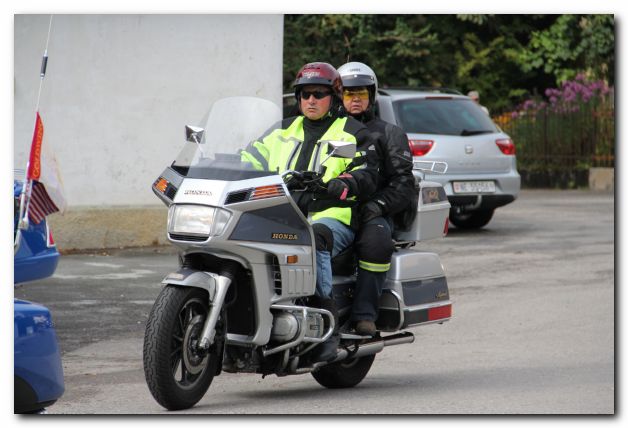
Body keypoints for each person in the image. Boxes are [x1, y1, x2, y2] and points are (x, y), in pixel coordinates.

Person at [241, 62, 378, 362]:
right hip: (279, 212)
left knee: (312, 238)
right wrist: (222, 162)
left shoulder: (351, 131)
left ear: (334, 97)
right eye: (305, 94)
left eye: (319, 94)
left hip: (330, 216)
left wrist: (345, 183)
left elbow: (367, 170)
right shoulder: (281, 130)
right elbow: (249, 156)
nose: (311, 100)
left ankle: (326, 321)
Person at [337, 61, 418, 336]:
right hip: (330, 207)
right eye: (349, 93)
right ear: (339, 96)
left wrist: (377, 206)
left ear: (371, 95)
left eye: (361, 93)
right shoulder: (329, 131)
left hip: (372, 212)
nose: (355, 98)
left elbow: (404, 182)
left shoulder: (388, 133)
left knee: (376, 242)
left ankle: (364, 314)